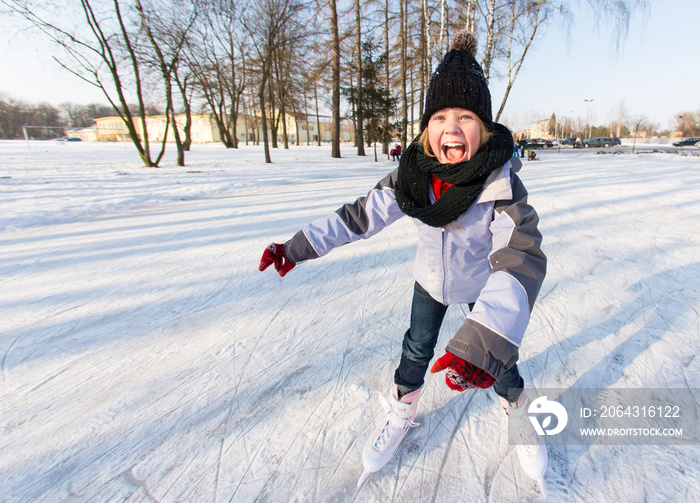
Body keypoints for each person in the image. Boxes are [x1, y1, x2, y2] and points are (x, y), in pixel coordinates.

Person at [259, 30, 548, 489]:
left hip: (480, 286)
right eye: (440, 116)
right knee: (415, 350)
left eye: (466, 116)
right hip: (430, 282)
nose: (451, 127)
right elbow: (359, 216)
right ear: (426, 129)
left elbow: (518, 255)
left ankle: (517, 409)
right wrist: (295, 247)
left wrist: (487, 342)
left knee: (497, 357)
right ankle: (402, 409)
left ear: (486, 129)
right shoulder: (411, 177)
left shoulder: (500, 186)